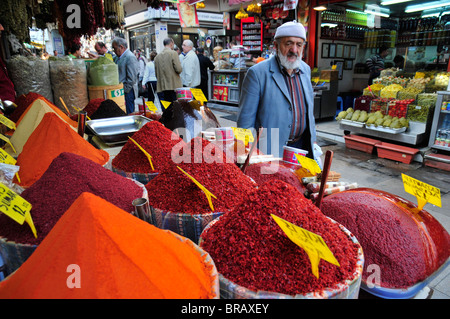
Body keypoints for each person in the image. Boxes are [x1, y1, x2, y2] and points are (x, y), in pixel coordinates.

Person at [237, 20, 317, 159]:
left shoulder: (305, 70)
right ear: (276, 46)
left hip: (301, 148)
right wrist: (250, 155)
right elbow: (245, 124)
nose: (294, 50)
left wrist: (313, 141)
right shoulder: (257, 73)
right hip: (268, 151)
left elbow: (309, 111)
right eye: (288, 43)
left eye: (299, 45)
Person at [112, 37, 139, 114]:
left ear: (121, 47)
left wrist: (125, 90)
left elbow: (132, 78)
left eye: (114, 48)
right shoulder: (118, 57)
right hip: (121, 90)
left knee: (129, 113)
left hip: (128, 91)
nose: (114, 51)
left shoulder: (130, 57)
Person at [154, 37, 182, 103]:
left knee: (166, 108)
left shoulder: (157, 57)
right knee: (175, 107)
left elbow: (156, 73)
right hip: (173, 85)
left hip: (162, 86)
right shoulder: (173, 53)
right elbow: (178, 69)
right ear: (171, 44)